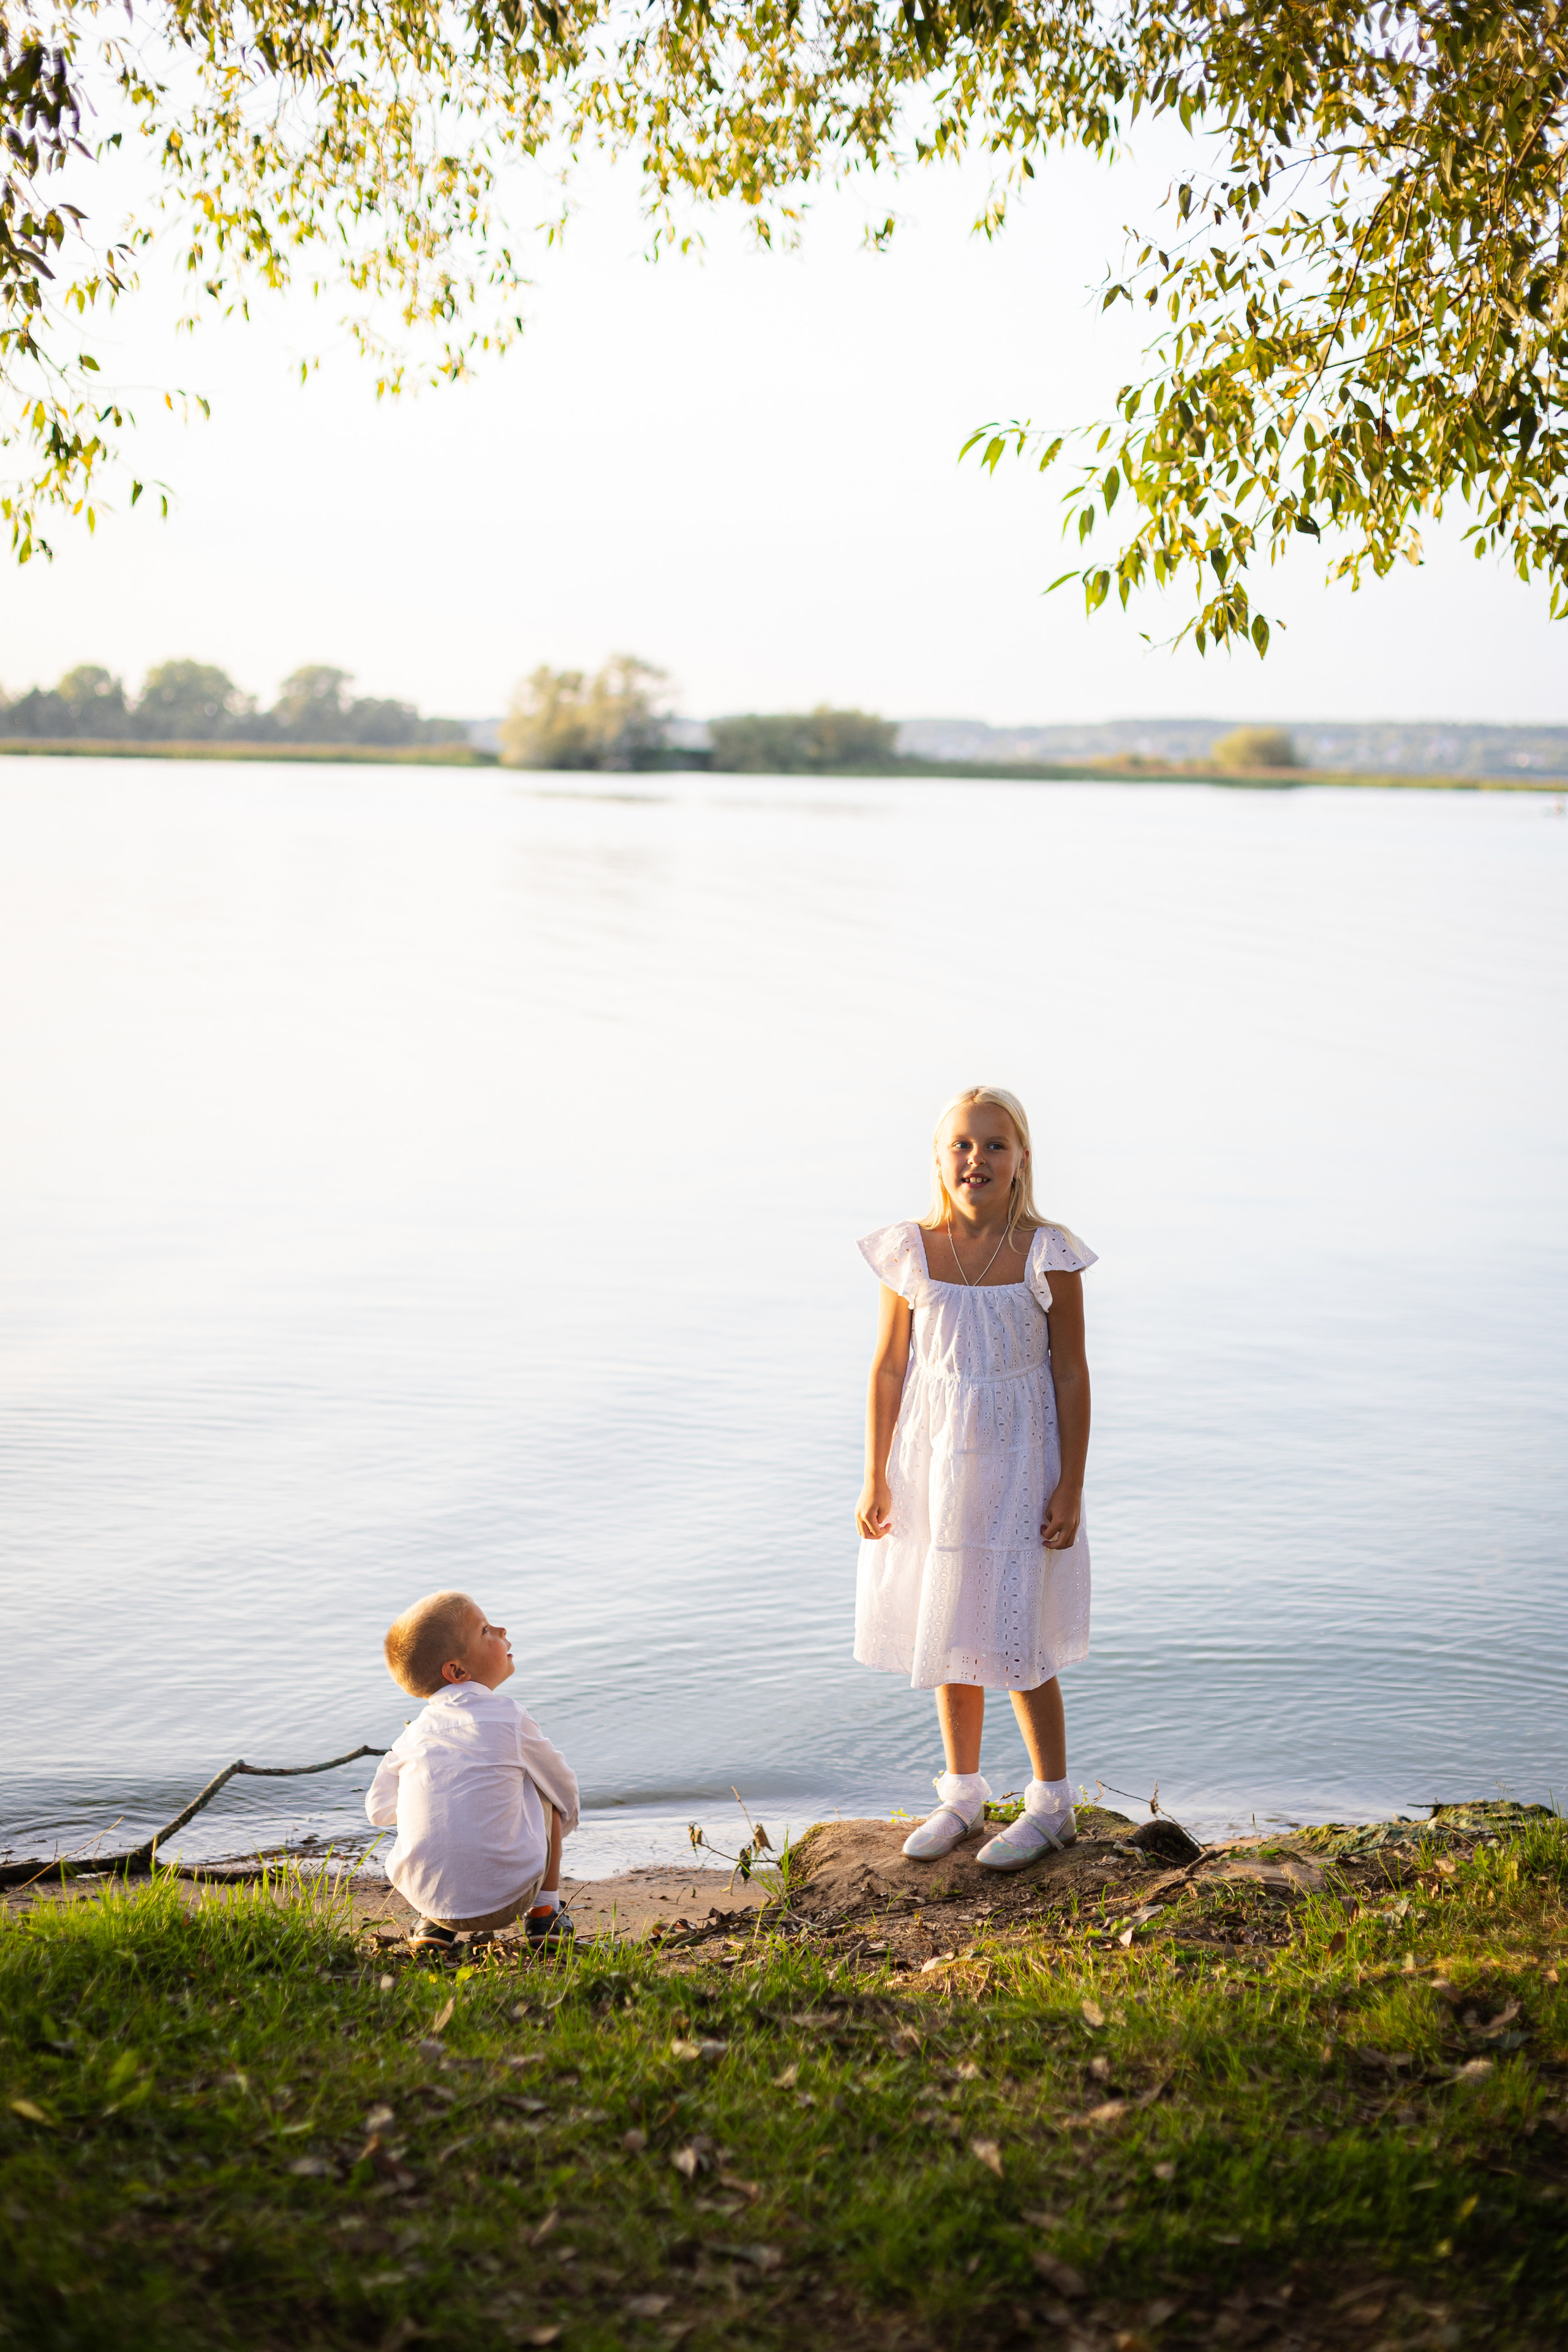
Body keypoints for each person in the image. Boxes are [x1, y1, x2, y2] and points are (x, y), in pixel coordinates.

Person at [853, 1085, 1095, 1869]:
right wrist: (876, 1476)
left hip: (1024, 1459)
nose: (976, 1159)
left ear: (1022, 1158)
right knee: (951, 1619)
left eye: (994, 1145)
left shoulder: (1046, 1252)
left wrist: (1070, 1487)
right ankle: (961, 1794)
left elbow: (1069, 1374)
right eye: (962, 1144)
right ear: (937, 1157)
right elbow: (891, 1367)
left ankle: (1051, 1803)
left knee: (1017, 1633)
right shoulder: (910, 1250)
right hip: (934, 1460)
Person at [367, 1591, 579, 1953]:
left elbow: (378, 1812)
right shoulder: (510, 1717)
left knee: (431, 1793)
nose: (501, 1628)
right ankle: (546, 1911)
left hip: (428, 1896)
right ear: (458, 1671)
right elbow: (565, 1792)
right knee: (545, 1787)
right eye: (485, 1630)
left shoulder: (412, 1735)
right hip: (510, 1898)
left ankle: (434, 1923)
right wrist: (559, 1827)